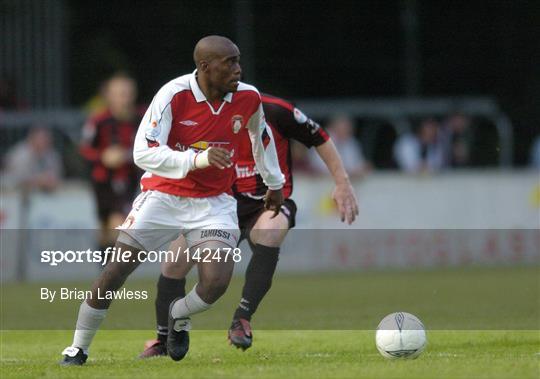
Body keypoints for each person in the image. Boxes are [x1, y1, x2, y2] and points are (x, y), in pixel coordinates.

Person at [60, 35, 285, 365]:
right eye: (231, 62)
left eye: (238, 61)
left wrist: (275, 183)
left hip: (214, 201)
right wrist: (197, 160)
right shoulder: (173, 95)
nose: (239, 69)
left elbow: (259, 137)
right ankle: (78, 347)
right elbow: (143, 152)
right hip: (163, 196)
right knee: (116, 269)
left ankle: (177, 316)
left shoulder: (248, 98)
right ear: (205, 67)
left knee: (216, 283)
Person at [139, 93, 359, 357]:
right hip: (216, 205)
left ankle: (241, 319)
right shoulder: (197, 113)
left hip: (269, 202)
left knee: (270, 228)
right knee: (174, 262)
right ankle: (164, 340)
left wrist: (342, 182)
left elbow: (319, 137)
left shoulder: (276, 111)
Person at [79, 72, 145, 252]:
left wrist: (128, 156)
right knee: (105, 226)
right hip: (103, 180)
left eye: (128, 93)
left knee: (119, 222)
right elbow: (84, 150)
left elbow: (155, 146)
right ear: (109, 96)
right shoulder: (98, 121)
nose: (125, 98)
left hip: (132, 178)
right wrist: (103, 156)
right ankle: (105, 267)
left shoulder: (143, 119)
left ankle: (112, 271)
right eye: (120, 93)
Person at [308, 114, 368, 178]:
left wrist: (362, 168)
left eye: (348, 128)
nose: (346, 131)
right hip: (323, 183)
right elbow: (318, 168)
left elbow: (359, 165)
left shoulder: (351, 142)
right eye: (343, 127)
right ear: (333, 127)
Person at [3, 126, 62, 191]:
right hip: (12, 193)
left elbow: (56, 176)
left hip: (42, 194)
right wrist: (39, 180)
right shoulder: (20, 155)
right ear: (31, 138)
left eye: (47, 139)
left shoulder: (51, 155)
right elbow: (17, 179)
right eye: (42, 139)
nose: (45, 142)